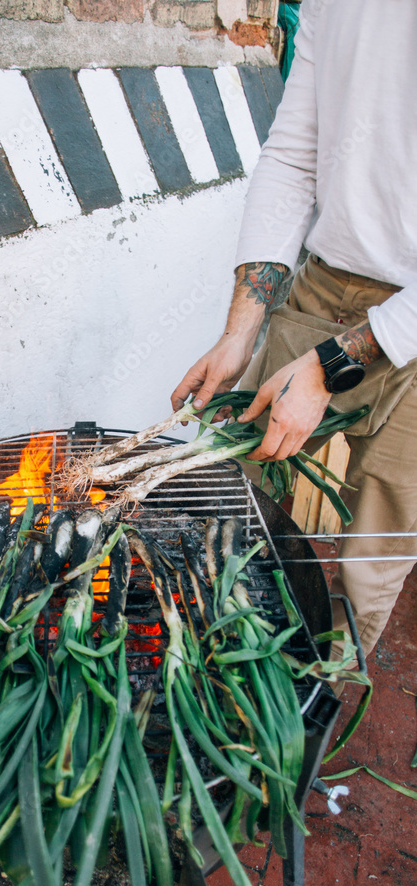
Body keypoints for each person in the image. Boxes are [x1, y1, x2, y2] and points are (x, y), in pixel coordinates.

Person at [171, 0, 417, 658]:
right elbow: (291, 159)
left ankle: (311, 704)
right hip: (325, 282)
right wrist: (239, 330)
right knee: (235, 494)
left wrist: (321, 369)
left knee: (374, 546)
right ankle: (209, 660)